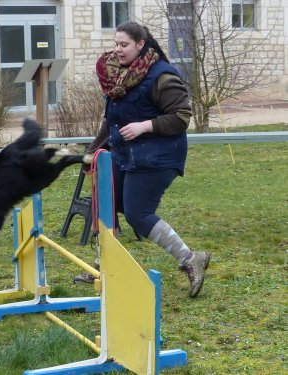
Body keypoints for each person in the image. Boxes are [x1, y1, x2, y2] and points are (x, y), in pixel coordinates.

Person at [75, 21, 210, 298]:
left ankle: (190, 258)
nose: (118, 49)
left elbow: (181, 118)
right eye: (115, 43)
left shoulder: (162, 76)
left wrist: (144, 125)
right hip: (125, 153)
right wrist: (92, 150)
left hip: (158, 156)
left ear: (140, 45)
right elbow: (110, 120)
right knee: (107, 199)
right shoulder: (119, 77)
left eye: (124, 44)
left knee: (138, 214)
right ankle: (106, 264)